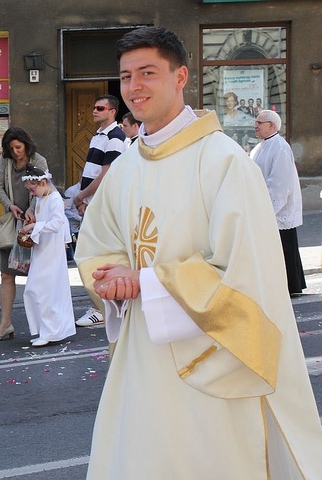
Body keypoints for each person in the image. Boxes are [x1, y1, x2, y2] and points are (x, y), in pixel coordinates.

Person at [75, 26, 322, 478]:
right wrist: (108, 278)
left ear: (181, 76)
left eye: (148, 72)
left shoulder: (223, 161)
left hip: (208, 359)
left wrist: (147, 281)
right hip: (139, 356)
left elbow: (245, 274)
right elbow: (97, 245)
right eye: (126, 76)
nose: (135, 86)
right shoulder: (128, 164)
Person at [0, 126, 48, 342]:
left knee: (36, 275)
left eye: (18, 147)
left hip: (32, 224)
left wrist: (31, 210)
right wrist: (10, 206)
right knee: (6, 274)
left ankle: (44, 323)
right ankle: (5, 324)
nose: (15, 152)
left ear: (26, 145)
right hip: (11, 223)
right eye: (11, 148)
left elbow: (43, 188)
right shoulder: (5, 161)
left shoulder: (38, 160)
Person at [72, 95, 126, 328]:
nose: (94, 111)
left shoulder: (115, 138)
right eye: (94, 107)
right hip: (93, 203)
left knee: (96, 256)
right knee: (92, 255)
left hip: (103, 205)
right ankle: (103, 305)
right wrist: (84, 198)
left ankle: (101, 307)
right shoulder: (98, 136)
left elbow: (106, 175)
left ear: (112, 111)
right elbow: (92, 172)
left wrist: (83, 196)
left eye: (100, 108)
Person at [250, 109, 306, 295]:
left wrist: (267, 210)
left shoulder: (280, 147)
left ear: (271, 125)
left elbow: (281, 184)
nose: (255, 125)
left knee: (285, 249)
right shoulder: (259, 147)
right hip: (263, 207)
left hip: (278, 212)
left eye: (259, 122)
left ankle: (290, 287)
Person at [18, 167, 76, 347]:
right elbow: (46, 220)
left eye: (32, 189)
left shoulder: (55, 199)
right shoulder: (42, 198)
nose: (32, 193)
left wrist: (33, 228)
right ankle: (43, 329)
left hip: (51, 250)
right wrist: (33, 222)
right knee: (35, 289)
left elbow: (57, 223)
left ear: (43, 183)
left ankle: (50, 331)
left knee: (46, 290)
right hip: (42, 249)